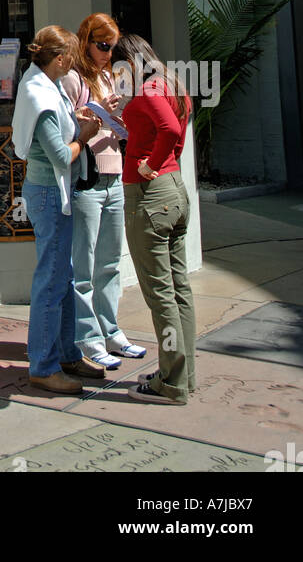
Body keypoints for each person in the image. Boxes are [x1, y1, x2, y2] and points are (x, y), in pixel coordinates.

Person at [12, 25, 104, 395]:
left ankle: (66, 354)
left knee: (62, 275)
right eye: (73, 55)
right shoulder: (42, 96)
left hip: (53, 193)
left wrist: (79, 123)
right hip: (50, 194)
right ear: (61, 58)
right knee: (51, 280)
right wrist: (83, 136)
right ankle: (44, 366)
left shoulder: (46, 87)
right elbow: (61, 155)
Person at [112, 33, 195, 405]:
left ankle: (171, 382)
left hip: (151, 196)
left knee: (160, 295)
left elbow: (170, 130)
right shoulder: (170, 83)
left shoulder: (147, 90)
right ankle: (181, 373)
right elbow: (176, 129)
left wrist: (151, 163)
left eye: (118, 65)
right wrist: (165, 157)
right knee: (179, 292)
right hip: (174, 190)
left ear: (130, 61)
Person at [60, 13, 146, 369]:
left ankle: (111, 330)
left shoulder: (109, 75)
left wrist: (119, 119)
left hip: (115, 175)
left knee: (111, 262)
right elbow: (63, 125)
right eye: (102, 45)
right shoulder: (73, 79)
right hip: (88, 179)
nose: (108, 52)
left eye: (112, 46)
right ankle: (88, 339)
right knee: (84, 265)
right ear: (86, 41)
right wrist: (89, 116)